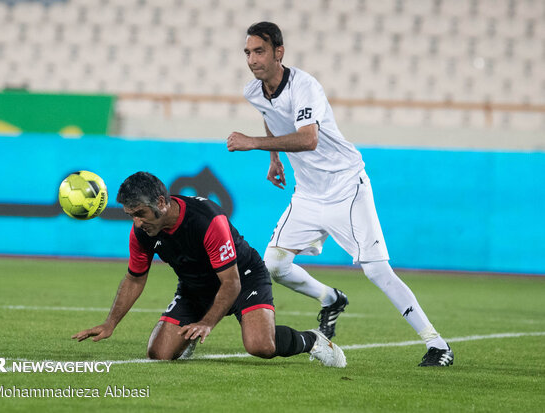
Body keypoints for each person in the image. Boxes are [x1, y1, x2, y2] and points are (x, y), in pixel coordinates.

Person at [226, 22, 454, 367]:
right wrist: (274, 159)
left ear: (278, 52)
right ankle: (330, 298)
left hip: (346, 187)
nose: (252, 59)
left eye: (259, 51)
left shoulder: (305, 87)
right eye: (247, 52)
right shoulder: (254, 91)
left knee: (376, 271)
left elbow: (308, 139)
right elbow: (270, 115)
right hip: (308, 194)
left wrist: (254, 144)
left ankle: (438, 345)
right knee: (273, 264)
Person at [72, 171, 346, 368]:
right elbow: (134, 279)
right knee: (158, 354)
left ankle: (314, 341)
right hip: (195, 288)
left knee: (261, 346)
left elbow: (231, 284)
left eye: (140, 213)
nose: (137, 221)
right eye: (131, 215)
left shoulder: (207, 220)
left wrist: (207, 323)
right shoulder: (142, 232)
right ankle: (188, 336)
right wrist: (111, 323)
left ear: (162, 203)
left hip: (244, 278)